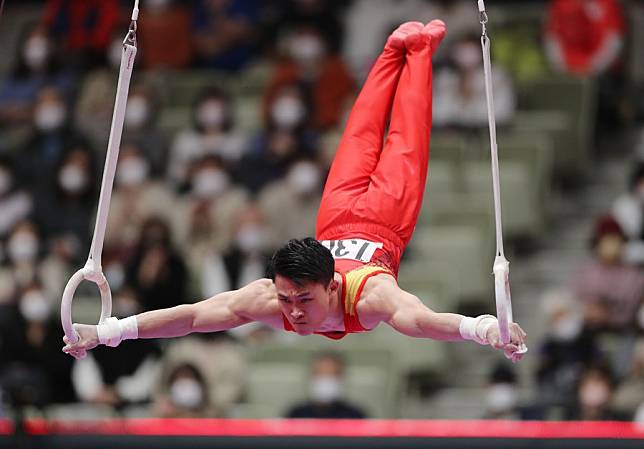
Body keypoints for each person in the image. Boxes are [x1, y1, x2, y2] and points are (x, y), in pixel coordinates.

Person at [63, 21, 527, 363]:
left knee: (390, 138)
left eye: (303, 300)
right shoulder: (272, 298)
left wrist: (483, 327)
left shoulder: (369, 297)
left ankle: (417, 49)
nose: (293, 311)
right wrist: (110, 330)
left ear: (330, 287)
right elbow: (193, 316)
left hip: (354, 218)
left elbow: (424, 322)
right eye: (287, 299)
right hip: (369, 219)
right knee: (371, 137)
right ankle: (398, 51)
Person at [286, 351, 366, 419]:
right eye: (320, 373)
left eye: (332, 374)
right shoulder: (296, 415)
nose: (326, 379)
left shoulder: (355, 415)